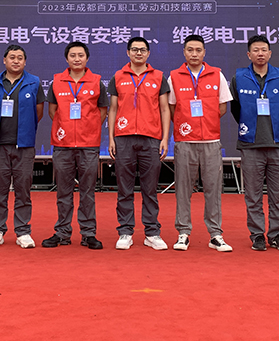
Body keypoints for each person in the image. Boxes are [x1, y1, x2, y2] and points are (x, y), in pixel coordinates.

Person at [168, 34, 233, 252]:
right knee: (183, 189)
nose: (194, 54)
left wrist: (206, 123)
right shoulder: (174, 77)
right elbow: (171, 107)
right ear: (184, 52)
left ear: (204, 52)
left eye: (198, 50)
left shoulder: (217, 75)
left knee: (213, 188)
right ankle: (183, 232)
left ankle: (215, 234)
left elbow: (222, 107)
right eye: (190, 50)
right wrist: (187, 124)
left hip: (211, 141)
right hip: (185, 141)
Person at [230, 34, 279, 252]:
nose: (260, 54)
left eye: (264, 50)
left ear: (270, 53)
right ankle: (257, 234)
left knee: (278, 194)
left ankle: (276, 234)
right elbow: (236, 109)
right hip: (251, 145)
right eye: (255, 50)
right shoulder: (239, 77)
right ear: (249, 54)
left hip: (278, 145)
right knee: (253, 194)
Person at [42, 41, 109, 250]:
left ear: (87, 58)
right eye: (73, 55)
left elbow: (103, 111)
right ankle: (62, 232)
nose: (77, 59)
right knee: (64, 191)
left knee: (88, 191)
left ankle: (88, 233)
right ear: (66, 59)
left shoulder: (97, 82)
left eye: (81, 55)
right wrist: (66, 128)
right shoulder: (57, 81)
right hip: (63, 145)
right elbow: (53, 111)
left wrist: (88, 128)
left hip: (88, 145)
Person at [107, 37, 171, 251]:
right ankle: (125, 231)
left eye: (142, 50)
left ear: (148, 53)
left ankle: (152, 232)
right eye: (134, 49)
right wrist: (111, 138)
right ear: (128, 53)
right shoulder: (118, 77)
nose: (138, 53)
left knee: (149, 189)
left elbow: (164, 109)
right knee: (124, 188)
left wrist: (164, 138)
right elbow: (113, 109)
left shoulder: (159, 77)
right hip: (123, 138)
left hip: (150, 138)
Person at [0, 44, 45, 249]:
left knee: (23, 190)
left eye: (19, 58)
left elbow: (38, 112)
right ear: (4, 60)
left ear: (25, 62)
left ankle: (23, 231)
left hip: (24, 146)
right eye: (12, 57)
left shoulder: (34, 82)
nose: (15, 61)